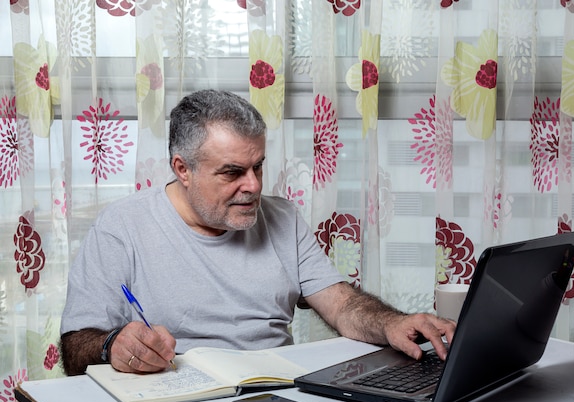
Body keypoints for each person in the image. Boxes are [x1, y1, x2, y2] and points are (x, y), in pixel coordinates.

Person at [60, 89, 455, 376]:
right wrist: (114, 345)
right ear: (183, 169)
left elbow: (341, 304)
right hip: (175, 398)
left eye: (259, 166)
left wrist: (391, 323)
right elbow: (75, 345)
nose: (253, 185)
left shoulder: (282, 217)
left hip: (276, 395)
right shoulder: (122, 226)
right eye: (232, 172)